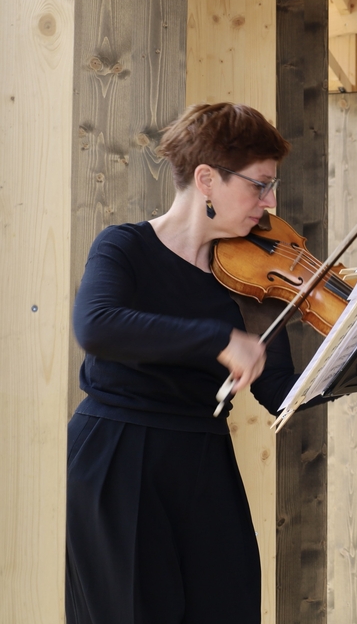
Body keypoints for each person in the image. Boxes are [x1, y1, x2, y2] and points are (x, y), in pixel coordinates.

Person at [66, 103, 303, 624]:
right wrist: (218, 338)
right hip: (119, 458)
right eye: (260, 185)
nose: (271, 202)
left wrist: (356, 355)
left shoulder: (254, 275)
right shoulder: (124, 247)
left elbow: (280, 390)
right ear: (206, 179)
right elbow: (98, 327)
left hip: (205, 460)